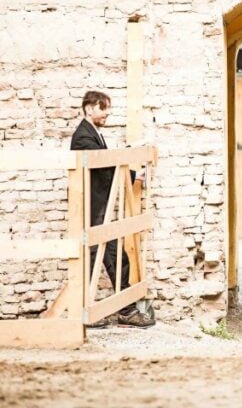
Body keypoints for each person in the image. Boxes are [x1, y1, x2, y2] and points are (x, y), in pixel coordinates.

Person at [71, 90, 155, 328]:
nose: (107, 113)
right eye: (103, 108)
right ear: (89, 109)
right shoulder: (83, 137)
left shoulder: (94, 134)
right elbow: (104, 166)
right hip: (94, 209)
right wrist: (132, 173)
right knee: (108, 257)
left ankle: (99, 311)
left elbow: (106, 162)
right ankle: (121, 311)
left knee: (108, 256)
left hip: (99, 209)